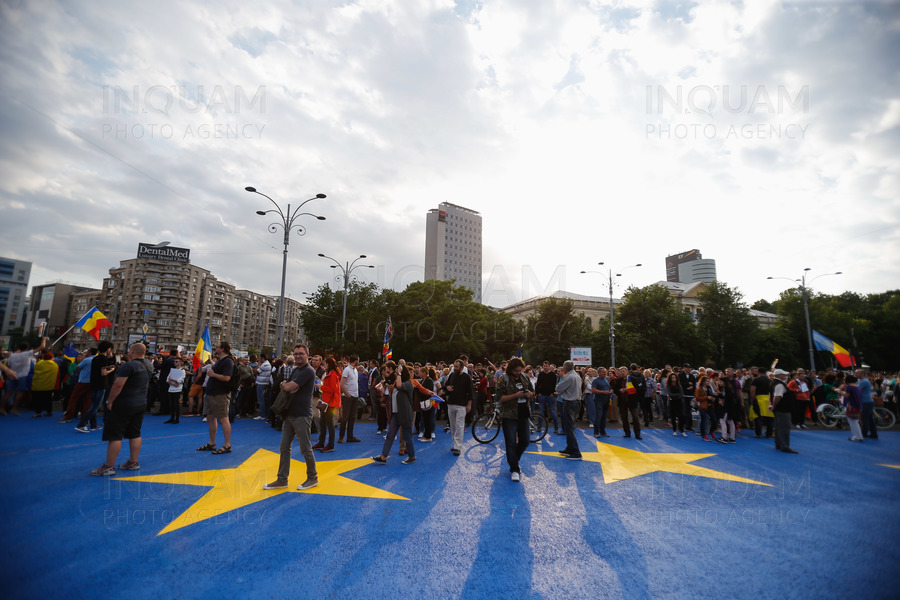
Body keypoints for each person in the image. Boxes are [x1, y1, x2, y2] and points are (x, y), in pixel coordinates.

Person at [90, 343, 151, 475]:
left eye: (130, 350)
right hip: (140, 403)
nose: (128, 352)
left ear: (133, 351)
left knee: (115, 435)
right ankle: (133, 461)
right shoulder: (149, 365)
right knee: (135, 433)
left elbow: (118, 385)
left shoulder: (129, 365)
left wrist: (110, 401)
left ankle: (109, 466)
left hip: (124, 403)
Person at [264, 344, 319, 491]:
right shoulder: (296, 370)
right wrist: (287, 384)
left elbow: (288, 387)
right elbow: (288, 386)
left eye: (301, 353)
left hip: (302, 415)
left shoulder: (308, 371)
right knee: (284, 448)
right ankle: (282, 480)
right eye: (296, 354)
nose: (298, 356)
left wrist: (286, 384)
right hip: (289, 414)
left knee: (305, 448)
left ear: (308, 354)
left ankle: (312, 477)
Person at [495, 357, 535, 481]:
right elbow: (499, 398)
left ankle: (512, 459)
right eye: (516, 370)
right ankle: (514, 469)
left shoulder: (525, 377)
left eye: (520, 370)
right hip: (509, 415)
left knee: (525, 441)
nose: (518, 372)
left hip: (523, 414)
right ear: (510, 369)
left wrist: (530, 395)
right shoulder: (503, 379)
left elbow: (533, 393)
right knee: (511, 442)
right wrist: (515, 395)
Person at [371, 362, 416, 465]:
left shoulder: (408, 384)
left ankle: (412, 456)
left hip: (405, 413)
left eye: (397, 372)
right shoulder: (396, 383)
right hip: (396, 414)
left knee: (407, 436)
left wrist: (399, 373)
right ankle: (383, 456)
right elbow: (393, 390)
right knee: (390, 435)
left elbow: (400, 386)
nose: (395, 374)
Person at [196, 342, 234, 455]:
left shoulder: (228, 361)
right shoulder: (221, 361)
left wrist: (213, 375)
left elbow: (227, 378)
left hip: (220, 394)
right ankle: (212, 443)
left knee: (223, 418)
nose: (215, 348)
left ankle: (227, 445)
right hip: (211, 393)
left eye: (217, 347)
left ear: (222, 349)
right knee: (210, 418)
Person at [77, 341, 117, 433]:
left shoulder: (95, 358)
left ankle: (93, 425)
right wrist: (111, 369)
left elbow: (98, 370)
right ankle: (82, 424)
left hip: (93, 383)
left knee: (93, 404)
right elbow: (103, 373)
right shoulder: (103, 359)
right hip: (101, 384)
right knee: (96, 405)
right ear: (108, 349)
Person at [444, 359, 473, 456]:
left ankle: (458, 447)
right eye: (454, 367)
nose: (455, 368)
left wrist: (469, 404)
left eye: (456, 367)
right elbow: (446, 385)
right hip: (451, 403)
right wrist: (448, 388)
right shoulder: (452, 375)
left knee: (460, 426)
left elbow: (470, 392)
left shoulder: (467, 377)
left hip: (461, 405)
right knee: (453, 426)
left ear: (461, 367)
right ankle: (454, 444)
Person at [555, 360, 583, 458]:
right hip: (576, 401)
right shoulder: (576, 376)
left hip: (570, 402)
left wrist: (561, 390)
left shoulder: (569, 377)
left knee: (569, 427)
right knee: (569, 426)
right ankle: (570, 448)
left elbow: (558, 388)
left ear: (565, 368)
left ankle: (575, 451)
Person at [312, 357, 340, 452]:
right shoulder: (332, 374)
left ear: (328, 364)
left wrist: (322, 386)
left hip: (329, 402)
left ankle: (330, 444)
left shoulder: (332, 375)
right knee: (323, 423)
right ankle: (321, 443)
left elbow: (332, 390)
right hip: (327, 401)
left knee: (328, 424)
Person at [770, 369, 797, 454]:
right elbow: (777, 397)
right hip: (783, 409)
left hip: (779, 409)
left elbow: (771, 396)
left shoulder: (773, 383)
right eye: (783, 374)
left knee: (778, 427)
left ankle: (778, 444)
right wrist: (774, 406)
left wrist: (771, 406)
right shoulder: (780, 385)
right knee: (784, 427)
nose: (785, 376)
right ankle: (784, 446)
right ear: (778, 375)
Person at [338, 354, 361, 443]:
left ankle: (350, 436)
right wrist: (347, 394)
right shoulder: (347, 370)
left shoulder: (355, 370)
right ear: (355, 361)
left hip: (354, 396)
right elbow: (341, 384)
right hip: (348, 397)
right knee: (345, 417)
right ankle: (341, 436)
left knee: (352, 417)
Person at [31, 351, 59, 418]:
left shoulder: (39, 364)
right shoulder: (55, 365)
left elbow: (34, 370)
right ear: (52, 357)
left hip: (38, 385)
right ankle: (49, 412)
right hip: (49, 386)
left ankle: (38, 413)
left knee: (38, 400)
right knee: (48, 399)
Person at [621, 364, 645, 440]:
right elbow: (615, 389)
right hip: (622, 401)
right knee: (624, 418)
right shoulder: (618, 380)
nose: (622, 372)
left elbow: (639, 388)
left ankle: (637, 434)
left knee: (635, 417)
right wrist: (619, 390)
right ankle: (627, 433)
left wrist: (628, 390)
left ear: (627, 371)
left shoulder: (632, 378)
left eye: (623, 371)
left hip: (632, 400)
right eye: (621, 371)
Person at [535, 361, 559, 435]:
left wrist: (553, 393)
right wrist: (538, 393)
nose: (545, 367)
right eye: (544, 366)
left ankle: (556, 427)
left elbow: (555, 385)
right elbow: (538, 384)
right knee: (541, 411)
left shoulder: (553, 375)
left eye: (546, 366)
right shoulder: (541, 374)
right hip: (542, 395)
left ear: (549, 366)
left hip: (550, 395)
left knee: (553, 411)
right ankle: (539, 426)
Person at [750, 368, 774, 438]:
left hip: (759, 399)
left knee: (757, 416)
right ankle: (769, 433)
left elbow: (752, 391)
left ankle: (758, 433)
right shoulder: (770, 380)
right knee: (769, 418)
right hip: (768, 399)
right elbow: (772, 391)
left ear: (758, 372)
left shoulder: (756, 380)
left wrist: (752, 400)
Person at [839, 375, 864, 442]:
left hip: (851, 405)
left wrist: (840, 392)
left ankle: (857, 436)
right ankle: (858, 436)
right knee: (855, 421)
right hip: (858, 405)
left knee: (852, 422)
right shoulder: (857, 386)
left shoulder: (849, 386)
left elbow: (847, 395)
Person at [856, 369, 878, 440]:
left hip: (866, 402)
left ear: (862, 374)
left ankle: (864, 434)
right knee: (870, 419)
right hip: (867, 401)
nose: (855, 374)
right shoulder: (860, 381)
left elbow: (857, 390)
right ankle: (873, 434)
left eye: (857, 373)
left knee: (865, 418)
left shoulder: (864, 381)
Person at [590, 367, 612, 438]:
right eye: (603, 372)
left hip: (606, 399)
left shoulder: (606, 380)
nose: (605, 373)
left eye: (605, 372)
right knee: (599, 416)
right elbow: (593, 390)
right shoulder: (596, 380)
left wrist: (610, 391)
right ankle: (596, 432)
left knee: (604, 416)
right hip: (599, 400)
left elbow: (607, 388)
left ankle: (603, 431)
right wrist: (603, 392)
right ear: (599, 373)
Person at [164, 357, 185, 424]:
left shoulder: (182, 370)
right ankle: (172, 417)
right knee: (171, 404)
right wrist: (172, 382)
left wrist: (172, 380)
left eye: (176, 361)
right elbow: (167, 379)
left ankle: (177, 419)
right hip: (171, 389)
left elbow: (181, 380)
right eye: (174, 362)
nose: (175, 363)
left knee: (176, 404)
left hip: (178, 389)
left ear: (180, 362)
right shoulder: (172, 370)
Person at [667, 372, 686, 436]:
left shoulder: (679, 386)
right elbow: (670, 394)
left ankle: (682, 430)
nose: (674, 379)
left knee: (681, 416)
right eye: (672, 378)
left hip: (679, 402)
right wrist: (676, 395)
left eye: (675, 377)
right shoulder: (668, 386)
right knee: (673, 416)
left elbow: (681, 395)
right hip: (672, 403)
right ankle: (674, 430)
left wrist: (674, 396)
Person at [254, 354, 272, 421]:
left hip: (261, 383)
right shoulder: (268, 364)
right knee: (264, 399)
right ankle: (264, 414)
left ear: (262, 358)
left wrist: (258, 364)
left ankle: (262, 414)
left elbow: (256, 371)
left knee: (261, 399)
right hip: (265, 383)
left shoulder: (264, 365)